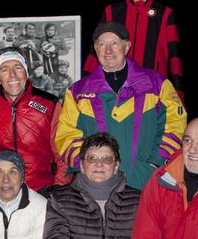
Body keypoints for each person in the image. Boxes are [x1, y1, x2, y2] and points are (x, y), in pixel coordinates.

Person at [56, 21, 186, 191]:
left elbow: (176, 126)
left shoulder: (157, 84)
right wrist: (88, 166)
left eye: (114, 43)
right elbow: (66, 136)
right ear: (96, 49)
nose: (108, 50)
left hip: (145, 183)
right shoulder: (78, 92)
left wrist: (155, 162)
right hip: (96, 188)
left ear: (127, 47)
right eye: (102, 44)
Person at [0, 48, 70, 194]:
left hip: (40, 190)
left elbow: (64, 153)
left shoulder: (49, 104)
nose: (12, 75)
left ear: (26, 72)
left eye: (18, 67)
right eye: (5, 69)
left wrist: (58, 189)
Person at [82, 0, 184, 101]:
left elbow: (175, 57)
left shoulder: (165, 14)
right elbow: (95, 50)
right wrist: (84, 83)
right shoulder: (111, 11)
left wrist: (178, 94)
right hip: (115, 88)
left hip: (153, 90)